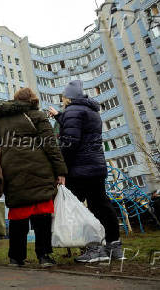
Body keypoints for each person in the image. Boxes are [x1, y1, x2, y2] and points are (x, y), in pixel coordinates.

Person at [0, 88, 67, 267]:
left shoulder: (0, 121)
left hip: (13, 174)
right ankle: (44, 256)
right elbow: (51, 146)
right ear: (33, 100)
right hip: (39, 171)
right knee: (42, 215)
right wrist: (60, 171)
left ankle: (16, 258)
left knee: (18, 215)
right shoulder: (38, 116)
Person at [49, 80, 123, 262]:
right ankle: (114, 247)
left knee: (75, 209)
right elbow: (78, 127)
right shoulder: (91, 111)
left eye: (63, 97)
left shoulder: (73, 111)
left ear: (68, 97)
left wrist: (61, 169)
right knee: (101, 205)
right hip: (96, 166)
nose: (62, 101)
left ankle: (94, 248)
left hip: (80, 168)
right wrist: (59, 116)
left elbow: (70, 142)